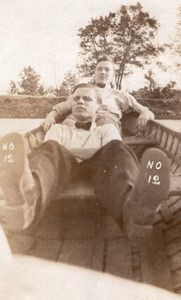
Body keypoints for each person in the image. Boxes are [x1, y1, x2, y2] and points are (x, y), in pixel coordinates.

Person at [0, 83, 169, 239]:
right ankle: (24, 200)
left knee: (118, 148)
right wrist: (87, 153)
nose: (80, 101)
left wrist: (72, 153)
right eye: (76, 99)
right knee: (49, 149)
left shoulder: (106, 128)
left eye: (87, 99)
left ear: (99, 108)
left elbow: (112, 157)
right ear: (71, 105)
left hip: (101, 172)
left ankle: (134, 210)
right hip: (62, 173)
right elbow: (49, 160)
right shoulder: (58, 129)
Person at [42, 54, 154, 133]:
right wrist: (51, 115)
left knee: (107, 128)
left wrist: (145, 114)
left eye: (107, 70)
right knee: (67, 127)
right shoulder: (82, 92)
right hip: (79, 118)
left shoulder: (120, 95)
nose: (102, 72)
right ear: (95, 72)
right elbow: (60, 109)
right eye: (99, 69)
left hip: (106, 118)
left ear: (113, 75)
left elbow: (145, 110)